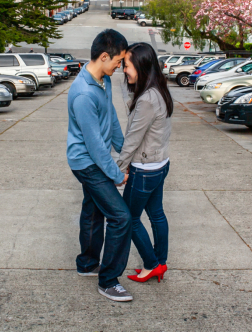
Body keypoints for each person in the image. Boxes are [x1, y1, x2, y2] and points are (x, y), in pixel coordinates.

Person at [67, 29, 133, 302]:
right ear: (104, 56)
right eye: (118, 61)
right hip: (86, 162)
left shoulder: (101, 81)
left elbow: (113, 121)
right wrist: (117, 175)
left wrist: (126, 150)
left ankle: (87, 264)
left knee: (93, 212)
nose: (119, 67)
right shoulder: (83, 93)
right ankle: (108, 280)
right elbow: (94, 146)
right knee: (120, 217)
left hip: (96, 158)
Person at [117, 42, 173, 284]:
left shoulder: (147, 99)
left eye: (126, 66)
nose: (123, 70)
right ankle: (160, 262)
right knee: (157, 214)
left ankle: (152, 264)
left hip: (145, 170)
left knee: (129, 219)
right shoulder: (158, 90)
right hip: (159, 164)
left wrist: (117, 170)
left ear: (140, 66)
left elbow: (132, 140)